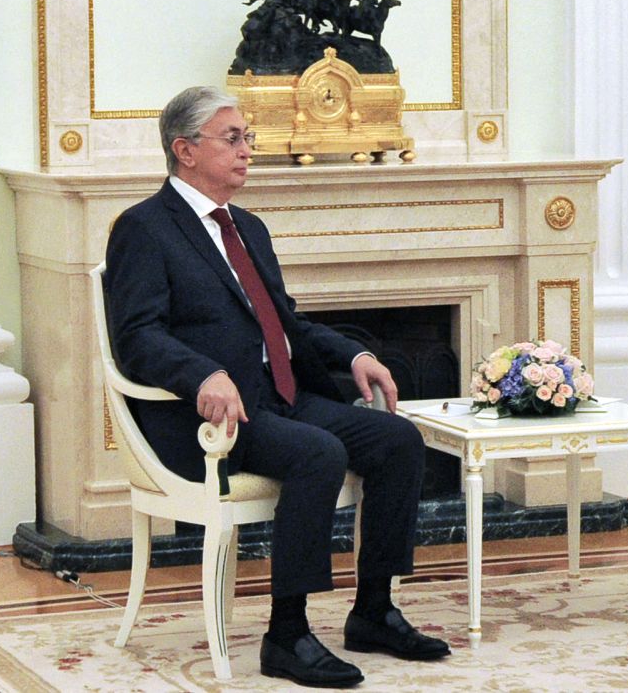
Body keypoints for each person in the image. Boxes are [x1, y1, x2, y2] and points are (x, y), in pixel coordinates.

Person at [104, 86, 449, 688]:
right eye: (233, 138)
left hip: (281, 398)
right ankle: (287, 634)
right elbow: (137, 336)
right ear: (185, 150)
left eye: (249, 140)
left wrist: (357, 353)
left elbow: (286, 322)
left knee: (397, 439)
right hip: (212, 418)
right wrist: (203, 374)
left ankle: (373, 610)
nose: (247, 151)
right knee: (318, 452)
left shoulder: (249, 228)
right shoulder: (143, 229)